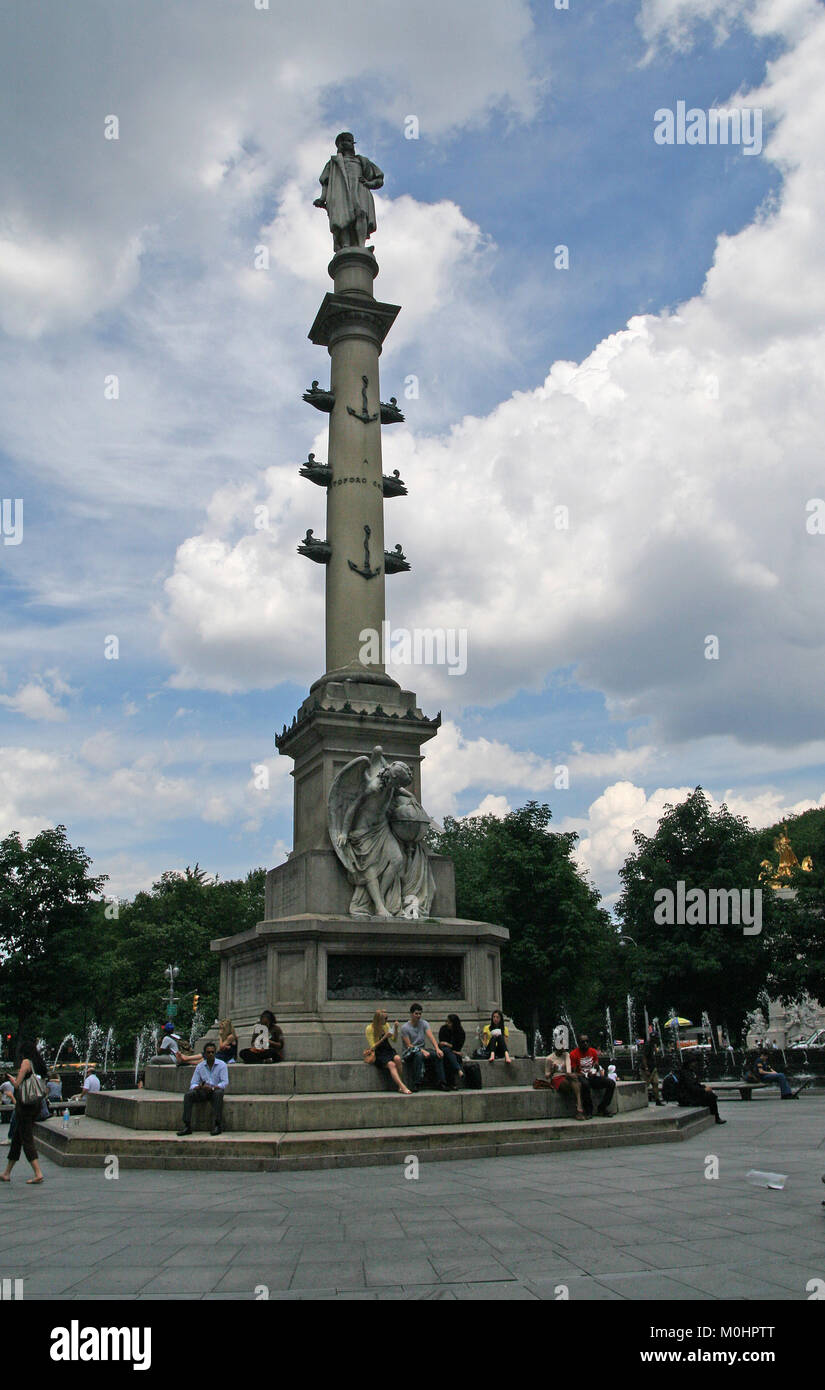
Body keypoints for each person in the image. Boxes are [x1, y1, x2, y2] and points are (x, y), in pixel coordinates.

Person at [1, 1041, 47, 1184]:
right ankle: (7, 1172)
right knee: (17, 1138)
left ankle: (38, 1173)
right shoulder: (39, 1063)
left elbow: (17, 1084)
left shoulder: (26, 1062)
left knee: (26, 1137)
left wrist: (10, 1078)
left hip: (25, 1104)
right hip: (36, 1103)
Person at [176, 1044, 229, 1136]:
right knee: (188, 1095)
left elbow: (224, 1082)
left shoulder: (222, 1065)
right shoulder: (200, 1066)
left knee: (219, 1093)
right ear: (205, 1054)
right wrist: (199, 1087)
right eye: (208, 1052)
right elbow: (193, 1083)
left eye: (213, 1052)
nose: (211, 1054)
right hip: (203, 1091)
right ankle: (187, 1125)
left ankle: (218, 1125)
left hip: (214, 1091)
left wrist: (212, 1088)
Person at [536, 1032, 586, 1119]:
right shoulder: (549, 1058)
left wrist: (569, 1074)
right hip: (556, 1078)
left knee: (575, 1081)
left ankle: (579, 1109)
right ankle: (579, 1109)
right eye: (561, 1044)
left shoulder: (566, 1055)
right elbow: (547, 1076)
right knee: (576, 1083)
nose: (563, 1047)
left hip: (567, 1076)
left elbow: (569, 1070)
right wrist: (552, 1070)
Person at [400, 1004, 447, 1091]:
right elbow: (409, 1045)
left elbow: (431, 1037)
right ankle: (416, 1083)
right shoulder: (405, 1028)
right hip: (409, 1052)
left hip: (422, 1050)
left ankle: (441, 1082)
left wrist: (437, 1049)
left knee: (437, 1055)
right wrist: (421, 1051)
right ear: (411, 1014)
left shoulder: (424, 1023)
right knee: (419, 1055)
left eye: (420, 1014)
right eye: (416, 1014)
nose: (418, 1016)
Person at [365, 1010, 410, 1095]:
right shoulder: (370, 1029)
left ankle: (400, 1084)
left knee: (397, 1058)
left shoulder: (386, 1025)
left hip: (388, 1049)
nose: (386, 1020)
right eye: (385, 1018)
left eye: (387, 1018)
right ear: (379, 1019)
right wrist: (384, 1037)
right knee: (391, 1064)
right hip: (379, 1053)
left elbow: (394, 1039)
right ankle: (402, 1086)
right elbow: (372, 1047)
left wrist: (396, 1029)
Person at [570, 1033, 615, 1117]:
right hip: (582, 1077)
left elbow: (596, 1065)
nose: (585, 1043)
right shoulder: (573, 1054)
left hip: (593, 1077)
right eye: (583, 1042)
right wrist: (582, 1075)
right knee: (585, 1085)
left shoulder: (593, 1051)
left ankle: (602, 1108)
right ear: (579, 1043)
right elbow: (574, 1072)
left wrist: (596, 1068)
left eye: (587, 1041)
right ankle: (588, 1111)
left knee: (611, 1083)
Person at [678, 1054, 726, 1124]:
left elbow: (695, 1084)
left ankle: (714, 1115)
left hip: (691, 1095)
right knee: (710, 1096)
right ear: (689, 1063)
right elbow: (691, 1087)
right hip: (688, 1098)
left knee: (709, 1095)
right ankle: (716, 1117)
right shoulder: (686, 1073)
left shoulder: (690, 1072)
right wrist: (703, 1090)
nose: (695, 1064)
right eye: (693, 1062)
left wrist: (704, 1087)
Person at [437, 1015, 466, 1089]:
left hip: (453, 1054)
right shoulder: (443, 1029)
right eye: (446, 1021)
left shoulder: (460, 1033)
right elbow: (441, 1044)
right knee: (446, 1052)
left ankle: (448, 1083)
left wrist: (448, 1045)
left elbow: (457, 1047)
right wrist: (448, 1045)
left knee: (448, 1058)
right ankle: (458, 1070)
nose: (447, 1024)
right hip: (444, 1051)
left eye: (449, 1022)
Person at [640, 1034, 665, 1106]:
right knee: (645, 1085)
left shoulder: (653, 1045)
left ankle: (657, 1100)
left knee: (655, 1083)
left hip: (653, 1068)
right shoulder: (647, 1045)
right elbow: (644, 1057)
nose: (657, 1040)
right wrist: (646, 1068)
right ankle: (643, 1101)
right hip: (647, 1069)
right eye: (656, 1038)